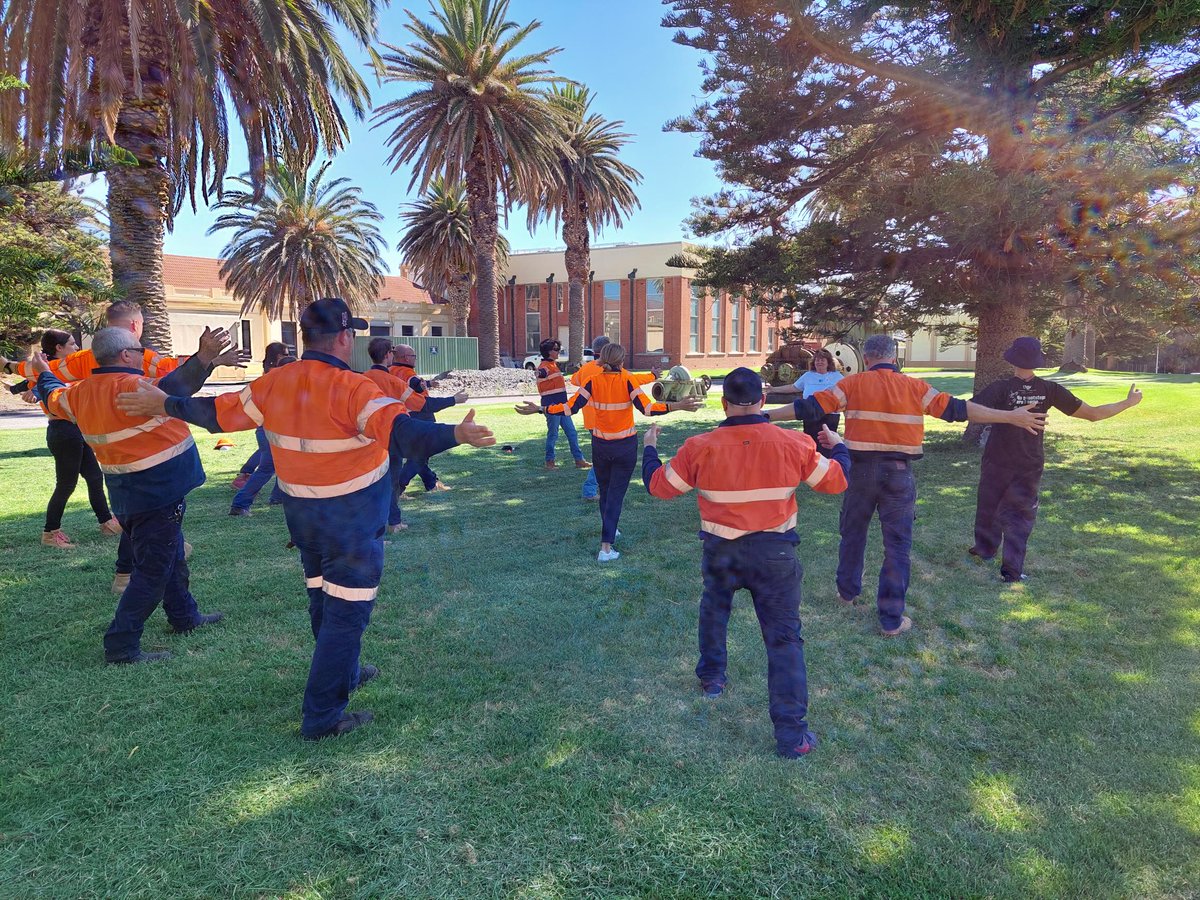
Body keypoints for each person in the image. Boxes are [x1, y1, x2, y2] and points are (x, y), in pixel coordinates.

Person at [116, 298, 495, 740]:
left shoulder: (274, 383)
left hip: (305, 520)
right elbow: (407, 435)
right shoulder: (355, 390)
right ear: (344, 337)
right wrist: (457, 434)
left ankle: (346, 671)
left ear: (304, 336)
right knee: (346, 615)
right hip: (350, 524)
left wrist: (165, 404)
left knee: (323, 599)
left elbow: (213, 415)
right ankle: (323, 716)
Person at [766, 334, 1047, 636]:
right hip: (899, 476)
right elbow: (960, 410)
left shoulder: (851, 384)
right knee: (897, 546)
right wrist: (1009, 417)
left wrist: (764, 415)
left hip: (860, 473)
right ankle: (890, 620)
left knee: (852, 533)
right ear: (894, 357)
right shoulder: (916, 388)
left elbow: (808, 408)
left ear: (867, 357)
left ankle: (847, 593)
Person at [643, 367, 850, 759]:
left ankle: (712, 678)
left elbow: (660, 487)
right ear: (762, 401)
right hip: (775, 556)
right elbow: (836, 482)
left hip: (721, 551)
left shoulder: (699, 445)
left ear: (724, 404)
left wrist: (650, 449)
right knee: (784, 640)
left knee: (715, 610)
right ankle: (792, 736)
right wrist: (838, 446)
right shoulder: (794, 442)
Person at [29, 327, 236, 664]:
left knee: (171, 558)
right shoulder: (134, 387)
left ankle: (184, 617)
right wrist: (203, 358)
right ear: (126, 355)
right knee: (152, 571)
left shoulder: (80, 392)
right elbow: (176, 390)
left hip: (128, 494)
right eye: (140, 350)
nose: (144, 355)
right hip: (158, 493)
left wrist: (44, 373)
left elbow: (53, 395)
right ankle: (121, 646)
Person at [968, 336, 1142, 582]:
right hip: (1029, 463)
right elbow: (1092, 414)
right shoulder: (1049, 390)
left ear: (1012, 360)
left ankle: (984, 549)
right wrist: (1128, 403)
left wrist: (1002, 414)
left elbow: (972, 411)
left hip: (997, 460)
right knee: (1020, 515)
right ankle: (1012, 571)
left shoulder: (1000, 388)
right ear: (1037, 361)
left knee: (989, 504)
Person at [518, 342, 700, 562]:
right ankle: (606, 548)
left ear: (601, 360)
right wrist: (677, 406)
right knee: (615, 495)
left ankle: (611, 530)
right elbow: (648, 408)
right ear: (622, 361)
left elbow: (569, 408)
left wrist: (540, 408)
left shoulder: (592, 381)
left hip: (600, 445)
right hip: (624, 447)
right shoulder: (627, 380)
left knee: (606, 492)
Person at [14, 330, 122, 548]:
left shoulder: (69, 370)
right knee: (66, 484)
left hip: (77, 430)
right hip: (63, 432)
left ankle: (107, 522)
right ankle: (50, 533)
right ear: (58, 348)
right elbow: (38, 384)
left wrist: (26, 389)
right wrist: (33, 391)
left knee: (93, 476)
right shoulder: (47, 372)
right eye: (72, 344)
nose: (77, 348)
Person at [571, 336, 660, 501]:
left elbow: (574, 380)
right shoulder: (617, 371)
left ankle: (598, 488)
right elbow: (635, 380)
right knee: (605, 459)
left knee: (602, 457)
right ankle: (590, 489)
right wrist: (653, 376)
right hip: (607, 421)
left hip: (591, 420)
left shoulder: (587, 369)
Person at [362, 337, 424, 534]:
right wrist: (453, 400)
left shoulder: (362, 379)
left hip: (368, 437)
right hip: (390, 435)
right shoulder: (392, 380)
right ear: (388, 354)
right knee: (391, 481)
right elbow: (419, 403)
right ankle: (393, 521)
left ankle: (383, 521)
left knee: (373, 483)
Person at [388, 343, 467, 495]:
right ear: (405, 358)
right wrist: (454, 399)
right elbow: (421, 397)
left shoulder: (390, 371)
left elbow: (408, 387)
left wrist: (429, 383)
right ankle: (399, 487)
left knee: (419, 455)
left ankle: (431, 483)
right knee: (419, 456)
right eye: (413, 356)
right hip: (420, 418)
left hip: (401, 418)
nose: (415, 359)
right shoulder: (409, 375)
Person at [228, 342, 294, 517]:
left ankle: (277, 497)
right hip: (269, 429)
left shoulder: (270, 378)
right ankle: (240, 504)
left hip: (268, 429)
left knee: (283, 463)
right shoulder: (277, 380)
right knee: (268, 467)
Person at [775, 348, 844, 455]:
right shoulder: (808, 376)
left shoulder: (837, 377)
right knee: (810, 444)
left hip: (830, 416)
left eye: (822, 360)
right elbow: (793, 387)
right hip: (810, 414)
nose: (819, 362)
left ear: (828, 362)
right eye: (817, 360)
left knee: (827, 445)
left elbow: (845, 396)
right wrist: (773, 389)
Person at [534, 339, 590, 470]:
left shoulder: (553, 365)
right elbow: (540, 373)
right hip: (552, 407)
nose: (559, 351)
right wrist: (539, 373)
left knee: (572, 433)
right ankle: (550, 462)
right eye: (556, 349)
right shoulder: (544, 367)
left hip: (563, 406)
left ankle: (579, 460)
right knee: (553, 434)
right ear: (548, 352)